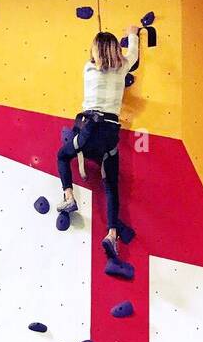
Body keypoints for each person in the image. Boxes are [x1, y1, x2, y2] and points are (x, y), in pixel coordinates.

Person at [56, 25, 140, 258]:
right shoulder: (123, 66)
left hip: (88, 129)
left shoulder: (88, 69)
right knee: (111, 184)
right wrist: (132, 33)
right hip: (110, 133)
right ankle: (112, 234)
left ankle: (69, 197)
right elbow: (132, 54)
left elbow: (96, 58)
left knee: (63, 155)